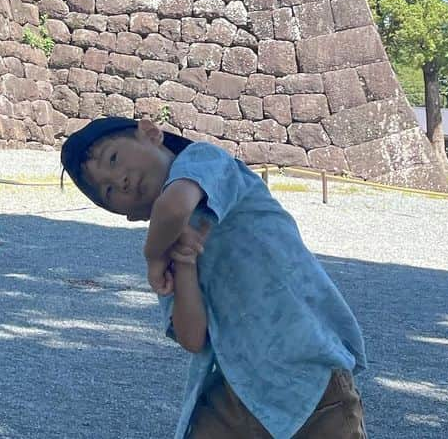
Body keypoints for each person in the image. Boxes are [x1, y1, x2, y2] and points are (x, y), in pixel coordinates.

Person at [60, 117, 367, 439]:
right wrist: (185, 265)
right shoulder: (169, 249)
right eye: (108, 190)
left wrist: (153, 257)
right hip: (235, 389)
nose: (119, 180)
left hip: (308, 371)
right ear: (132, 216)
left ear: (151, 134)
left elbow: (175, 206)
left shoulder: (205, 159)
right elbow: (192, 338)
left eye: (114, 158)